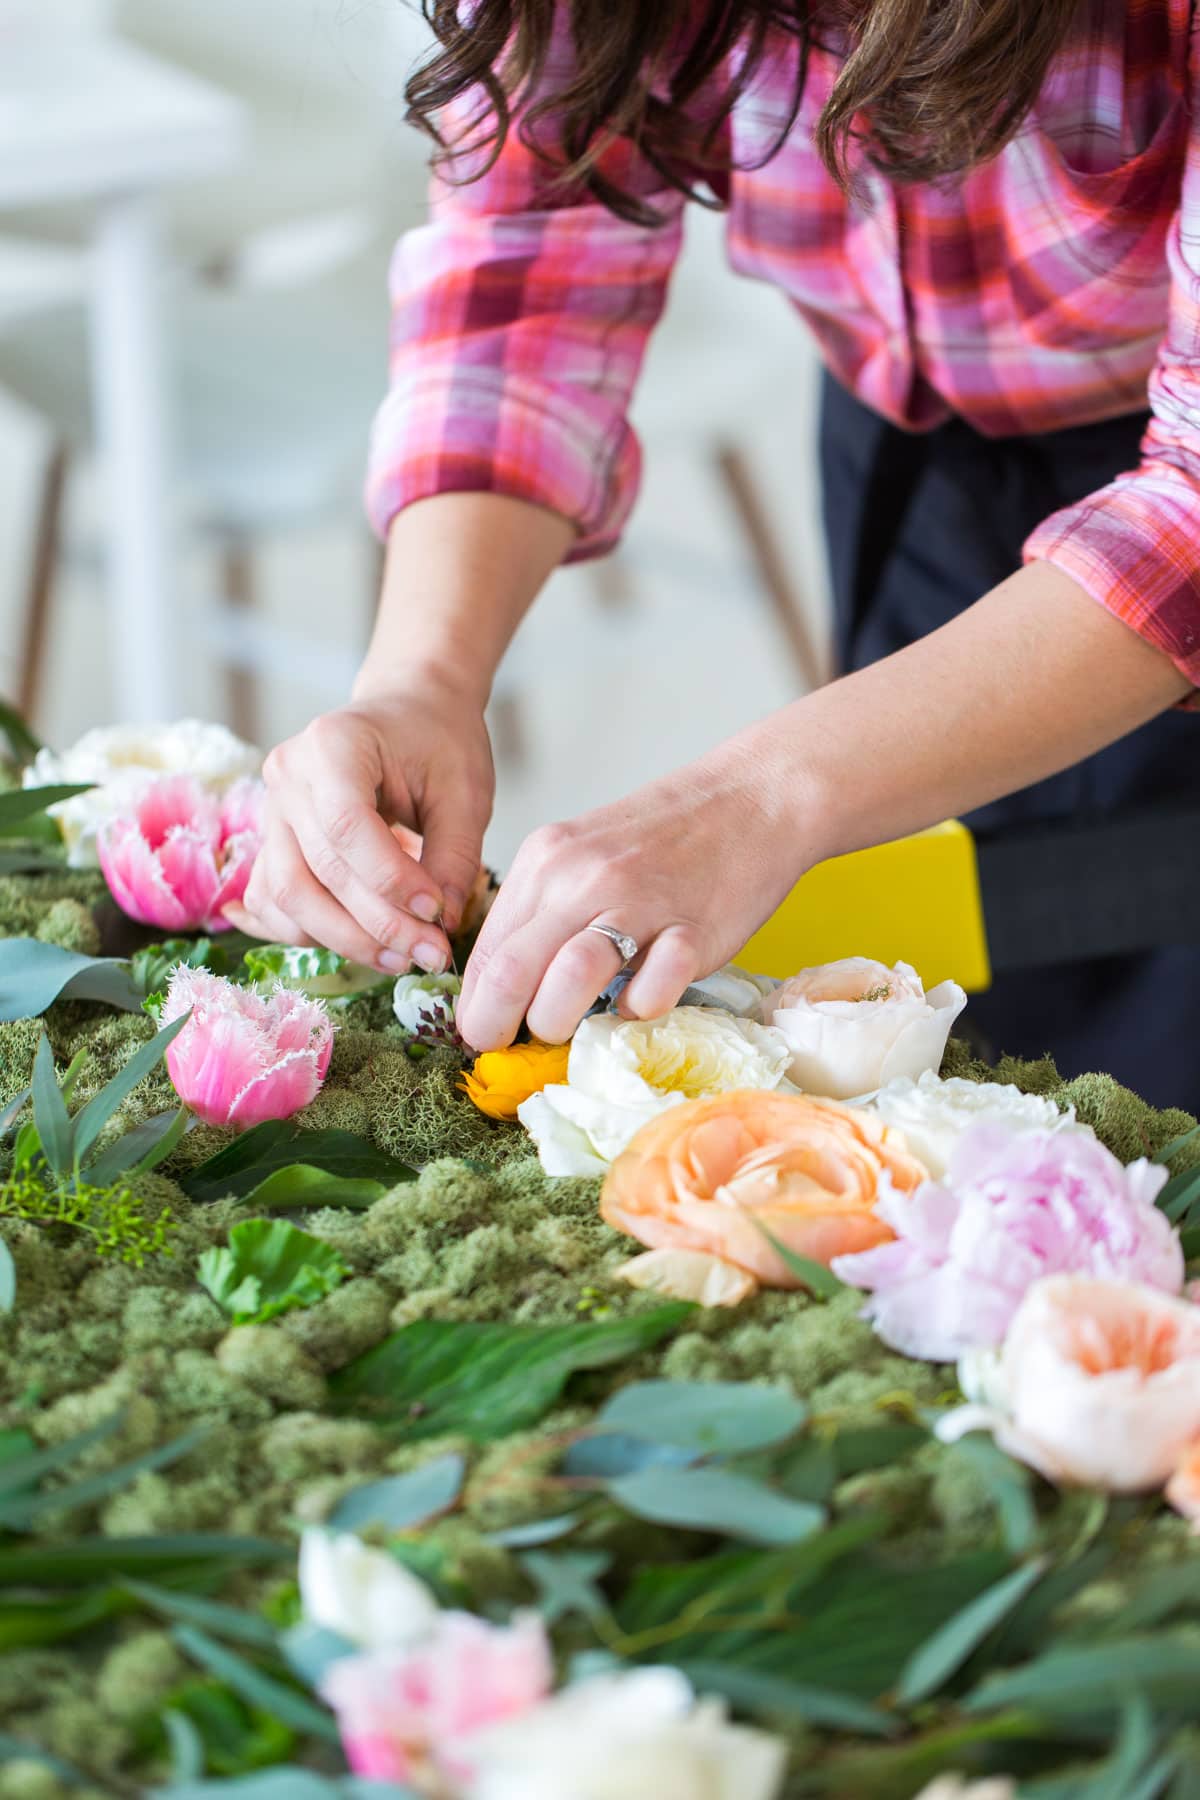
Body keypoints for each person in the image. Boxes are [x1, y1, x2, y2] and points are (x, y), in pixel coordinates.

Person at [228, 0, 1200, 1107]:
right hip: (920, 444)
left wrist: (756, 798)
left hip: (1162, 498)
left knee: (1159, 988)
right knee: (975, 992)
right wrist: (419, 683)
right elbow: (524, 282)